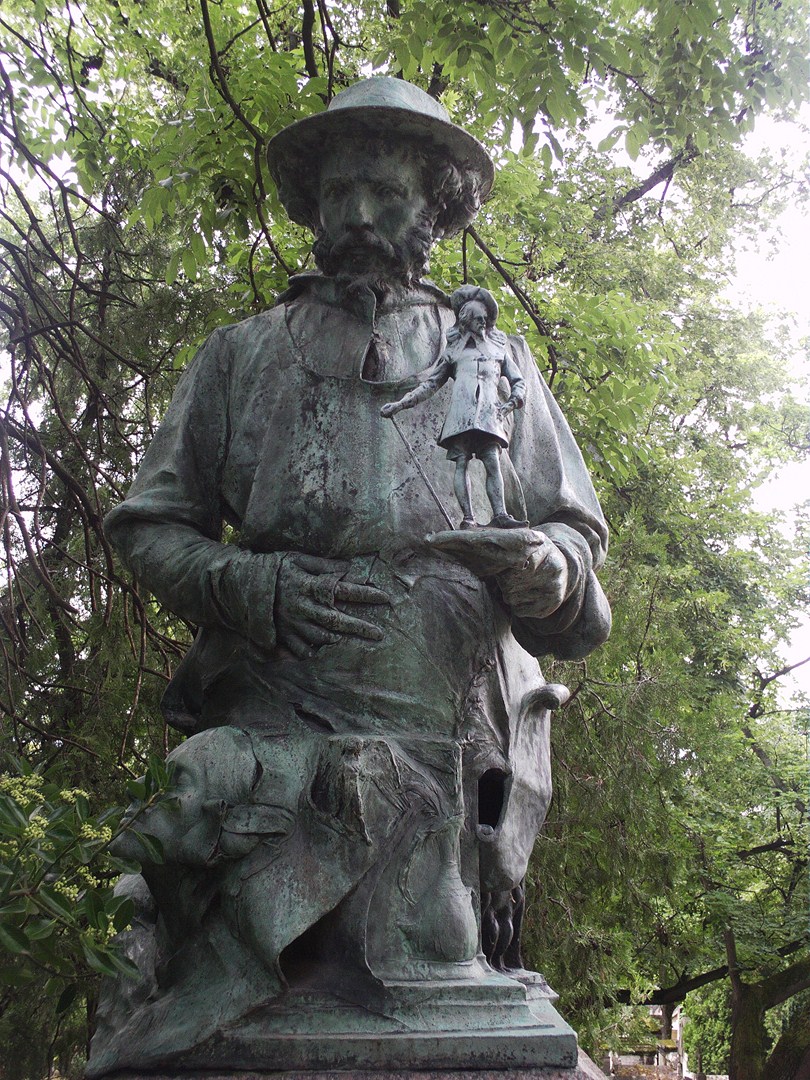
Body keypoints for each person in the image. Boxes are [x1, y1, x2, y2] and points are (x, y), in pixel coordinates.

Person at [89, 77, 611, 1075]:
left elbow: (578, 555)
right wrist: (260, 588)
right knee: (181, 869)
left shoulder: (498, 365)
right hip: (277, 707)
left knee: (429, 963)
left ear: (439, 204)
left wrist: (551, 568)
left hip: (447, 734)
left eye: (387, 189)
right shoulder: (240, 359)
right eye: (340, 192)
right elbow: (149, 525)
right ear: (314, 206)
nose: (361, 214)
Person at [381, 285, 529, 529]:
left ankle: (500, 514)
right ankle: (468, 518)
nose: (483, 322)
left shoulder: (498, 351)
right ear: (466, 321)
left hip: (490, 415)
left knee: (492, 461)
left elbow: (518, 380)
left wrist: (513, 401)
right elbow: (430, 385)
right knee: (462, 464)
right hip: (461, 415)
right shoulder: (454, 352)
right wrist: (399, 405)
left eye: (485, 318)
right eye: (478, 319)